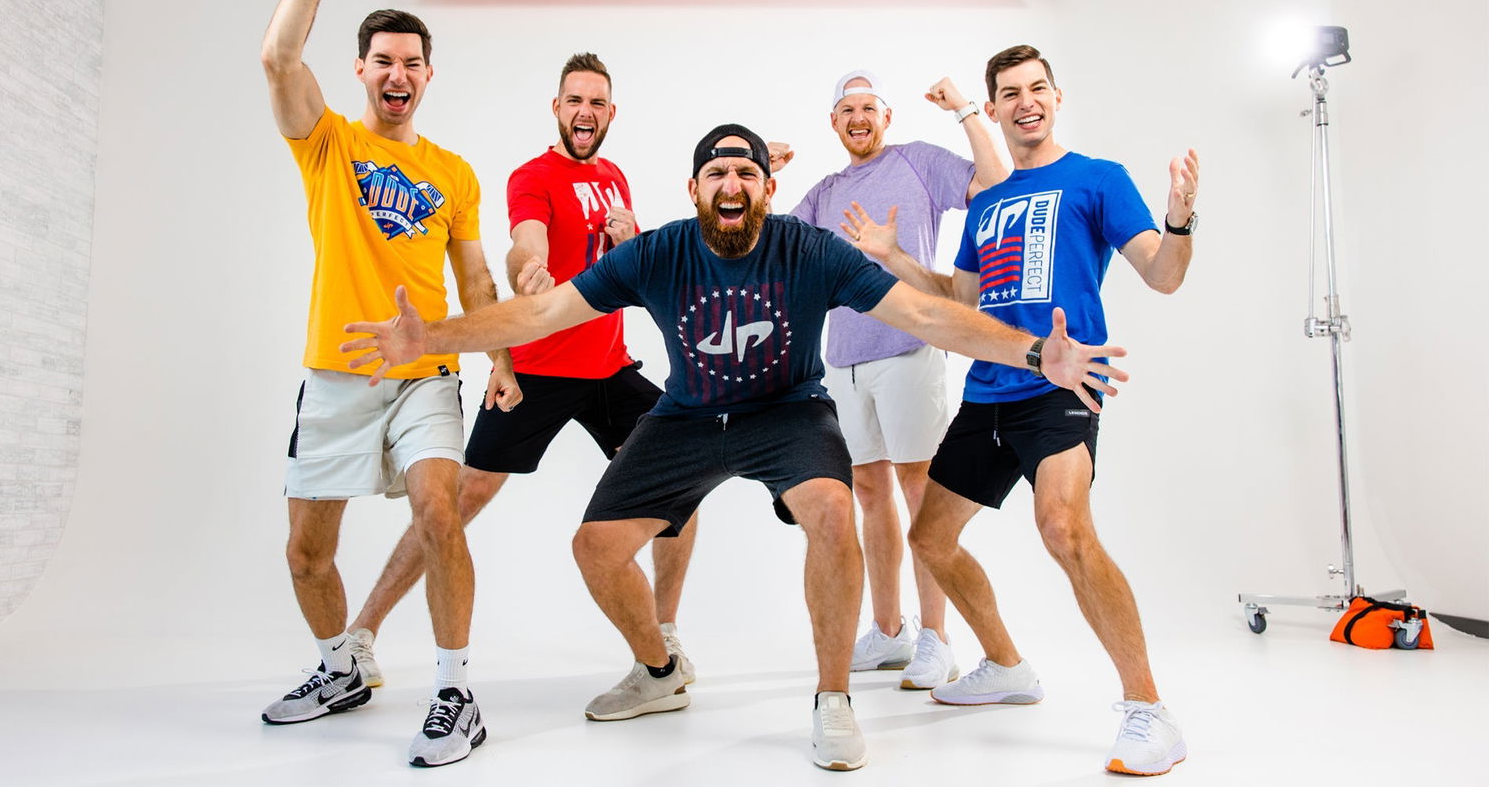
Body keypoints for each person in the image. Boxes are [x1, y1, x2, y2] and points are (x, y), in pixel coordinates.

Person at [340, 123, 1129, 772]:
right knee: (594, 548)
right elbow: (541, 314)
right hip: (687, 416)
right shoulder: (657, 252)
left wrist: (1034, 353)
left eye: (747, 172)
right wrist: (430, 336)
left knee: (834, 511)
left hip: (788, 412)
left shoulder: (808, 250)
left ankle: (832, 700)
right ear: (693, 189)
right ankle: (659, 671)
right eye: (717, 172)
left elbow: (925, 316)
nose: (732, 183)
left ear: (767, 189)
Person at [841, 45, 1198, 777]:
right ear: (995, 108)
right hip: (988, 392)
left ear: (1056, 98)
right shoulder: (988, 202)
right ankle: (1006, 666)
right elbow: (961, 299)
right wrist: (893, 256)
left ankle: (1149, 711)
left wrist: (1180, 220)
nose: (1025, 101)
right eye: (1010, 92)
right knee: (929, 538)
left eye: (1037, 88)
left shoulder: (1098, 178)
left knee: (1063, 529)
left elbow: (1162, 276)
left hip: (1061, 387)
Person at [339, 52, 702, 683]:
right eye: (574, 101)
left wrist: (633, 240)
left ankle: (663, 633)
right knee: (457, 501)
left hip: (610, 368)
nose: (585, 112)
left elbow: (636, 271)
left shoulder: (615, 176)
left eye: (596, 103)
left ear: (610, 113)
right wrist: (527, 271)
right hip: (540, 370)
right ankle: (361, 634)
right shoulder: (533, 176)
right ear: (557, 108)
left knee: (681, 485)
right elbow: (524, 241)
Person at [257, 0, 513, 769]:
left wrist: (500, 359)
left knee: (439, 510)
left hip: (424, 372)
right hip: (336, 376)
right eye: (383, 61)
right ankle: (341, 668)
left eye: (411, 63)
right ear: (361, 71)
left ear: (427, 76)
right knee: (306, 554)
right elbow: (278, 60)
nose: (397, 74)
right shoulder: (328, 144)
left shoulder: (454, 172)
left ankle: (455, 693)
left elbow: (475, 278)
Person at [779, 69, 1006, 689]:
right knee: (869, 492)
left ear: (886, 117)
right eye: (847, 109)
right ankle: (888, 631)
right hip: (844, 361)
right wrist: (762, 174)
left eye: (869, 108)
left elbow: (994, 182)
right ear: (833, 122)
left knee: (919, 489)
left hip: (908, 349)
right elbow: (770, 248)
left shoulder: (917, 162)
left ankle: (936, 638)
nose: (858, 118)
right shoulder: (825, 192)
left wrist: (964, 109)